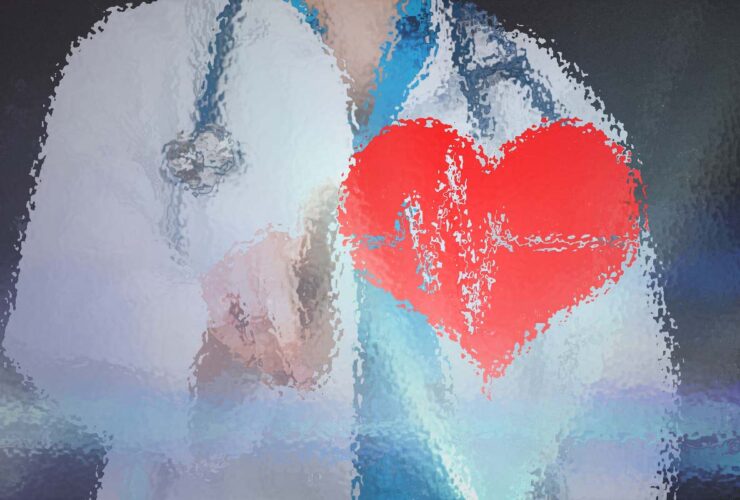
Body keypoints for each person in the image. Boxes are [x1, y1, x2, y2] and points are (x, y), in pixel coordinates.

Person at [3, 0, 679, 497]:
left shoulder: (544, 103)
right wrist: (219, 343)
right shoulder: (137, 58)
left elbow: (624, 416)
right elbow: (57, 319)